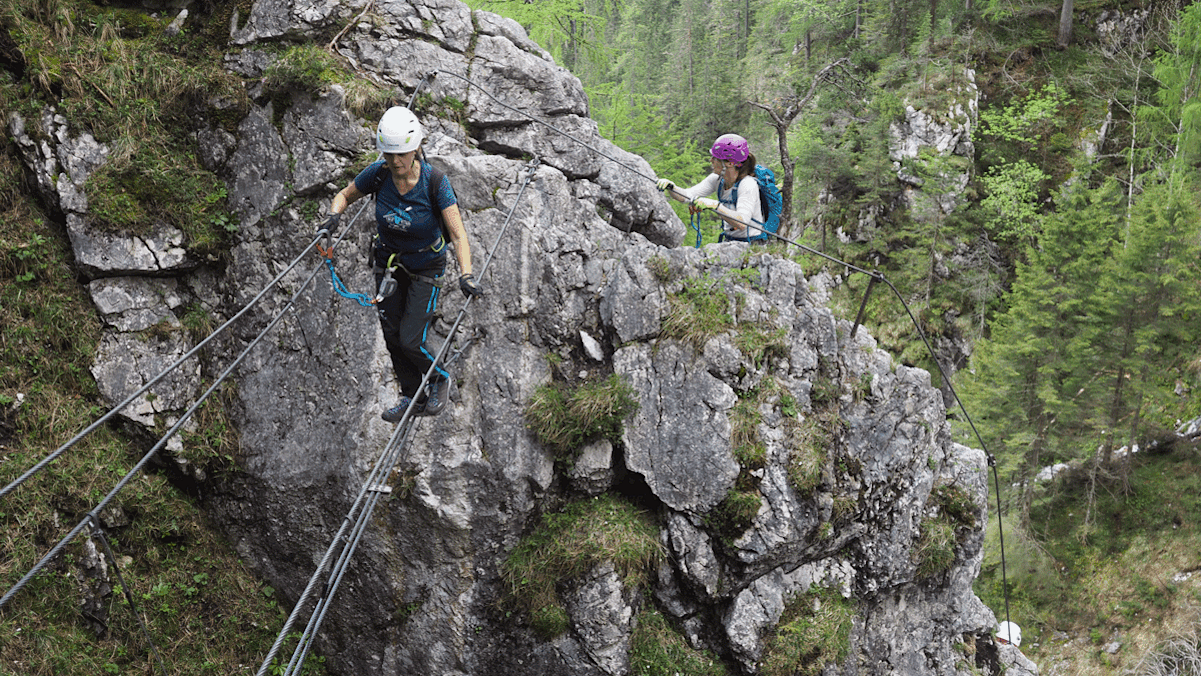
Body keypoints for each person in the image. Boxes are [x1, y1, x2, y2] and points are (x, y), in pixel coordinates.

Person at [321, 106, 482, 422]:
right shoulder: (378, 174)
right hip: (389, 264)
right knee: (393, 337)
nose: (395, 161)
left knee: (411, 338)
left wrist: (466, 274)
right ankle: (412, 396)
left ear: (416, 148)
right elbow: (344, 195)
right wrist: (332, 218)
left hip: (426, 267)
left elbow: (458, 233)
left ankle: (438, 379)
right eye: (389, 153)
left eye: (402, 153)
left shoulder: (435, 183)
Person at [657, 134, 765, 243]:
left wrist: (715, 206)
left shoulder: (748, 184)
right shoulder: (717, 180)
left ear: (730, 163)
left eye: (715, 158)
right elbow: (686, 196)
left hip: (752, 243)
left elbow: (742, 222)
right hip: (730, 241)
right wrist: (671, 187)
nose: (711, 160)